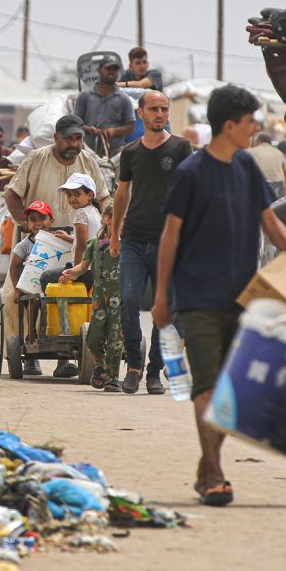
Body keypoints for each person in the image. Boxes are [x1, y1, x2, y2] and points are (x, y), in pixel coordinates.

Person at [151, 84, 286, 508]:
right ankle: (216, 474)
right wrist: (161, 297)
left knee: (227, 389)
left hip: (242, 295)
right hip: (198, 296)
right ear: (229, 125)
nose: (256, 128)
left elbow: (269, 220)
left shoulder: (245, 167)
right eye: (249, 121)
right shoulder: (191, 172)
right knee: (207, 384)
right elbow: (170, 236)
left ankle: (207, 467)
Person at [110, 91, 193, 395]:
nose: (160, 114)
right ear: (141, 112)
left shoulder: (182, 147)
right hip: (133, 238)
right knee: (129, 301)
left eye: (164, 109)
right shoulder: (131, 152)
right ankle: (133, 364)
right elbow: (122, 194)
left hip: (168, 241)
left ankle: (154, 371)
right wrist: (115, 233)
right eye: (154, 109)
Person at [4, 115, 111, 225]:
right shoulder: (36, 158)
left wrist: (105, 221)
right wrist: (24, 222)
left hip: (78, 239)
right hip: (40, 237)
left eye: (78, 138)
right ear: (56, 137)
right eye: (68, 139)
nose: (74, 144)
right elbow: (11, 194)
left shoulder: (88, 161)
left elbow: (103, 197)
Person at [7, 201, 70, 376]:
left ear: (51, 220)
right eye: (33, 219)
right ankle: (31, 337)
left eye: (42, 218)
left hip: (55, 289)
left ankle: (63, 359)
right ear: (27, 223)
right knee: (35, 299)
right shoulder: (24, 245)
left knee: (64, 303)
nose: (38, 222)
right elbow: (13, 267)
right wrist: (17, 289)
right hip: (32, 291)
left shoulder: (60, 241)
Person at [69, 203, 124, 392]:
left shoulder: (127, 246)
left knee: (116, 340)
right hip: (99, 300)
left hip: (120, 300)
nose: (123, 223)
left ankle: (112, 377)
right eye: (120, 218)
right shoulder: (94, 245)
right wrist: (71, 272)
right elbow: (83, 267)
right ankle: (100, 366)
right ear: (107, 219)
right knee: (93, 338)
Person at [74, 53, 136, 157]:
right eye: (108, 68)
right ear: (99, 70)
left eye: (115, 69)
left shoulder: (123, 98)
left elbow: (131, 126)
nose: (111, 71)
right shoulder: (85, 96)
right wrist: (90, 130)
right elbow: (75, 123)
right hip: (88, 150)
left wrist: (113, 131)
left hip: (116, 151)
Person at [59, 172, 103, 270]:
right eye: (69, 194)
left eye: (77, 194)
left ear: (90, 195)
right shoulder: (95, 211)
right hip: (95, 266)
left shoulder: (80, 213)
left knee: (46, 277)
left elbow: (82, 245)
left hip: (85, 268)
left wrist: (76, 271)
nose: (72, 199)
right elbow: (89, 240)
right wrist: (68, 238)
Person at [248, 132, 286, 199]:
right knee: (278, 208)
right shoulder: (278, 152)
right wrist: (285, 190)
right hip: (278, 187)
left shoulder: (251, 152)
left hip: (259, 187)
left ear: (258, 141)